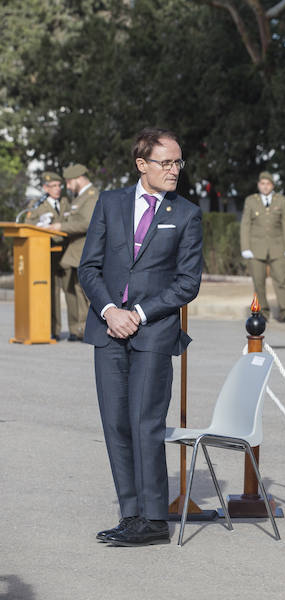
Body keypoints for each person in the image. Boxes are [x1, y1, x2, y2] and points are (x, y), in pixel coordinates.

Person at [78, 128, 203, 547]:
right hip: (107, 328)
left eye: (178, 162)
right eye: (165, 163)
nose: (174, 171)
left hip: (153, 332)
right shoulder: (110, 203)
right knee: (115, 423)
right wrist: (111, 311)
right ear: (141, 165)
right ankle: (130, 513)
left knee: (144, 423)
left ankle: (154, 519)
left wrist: (140, 313)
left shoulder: (186, 214)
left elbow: (187, 283)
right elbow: (88, 268)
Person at [47, 163, 100, 341]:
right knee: (77, 292)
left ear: (78, 179)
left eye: (69, 182)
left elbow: (87, 222)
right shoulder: (79, 198)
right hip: (75, 254)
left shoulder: (91, 196)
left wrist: (61, 226)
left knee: (87, 294)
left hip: (86, 252)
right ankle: (81, 329)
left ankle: (94, 329)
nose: (67, 187)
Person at [240, 171, 285, 322]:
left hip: (278, 247)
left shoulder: (281, 200)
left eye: (268, 184)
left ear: (272, 185)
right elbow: (245, 224)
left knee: (281, 280)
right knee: (258, 282)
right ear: (259, 185)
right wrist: (245, 247)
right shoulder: (251, 201)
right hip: (256, 248)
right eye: (262, 184)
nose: (265, 187)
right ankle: (262, 313)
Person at [26, 171, 69, 340]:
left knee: (64, 290)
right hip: (44, 252)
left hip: (65, 251)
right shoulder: (37, 204)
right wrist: (40, 223)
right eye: (53, 186)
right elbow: (27, 224)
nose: (57, 189)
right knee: (50, 291)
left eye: (59, 186)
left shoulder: (65, 202)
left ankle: (61, 329)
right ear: (45, 188)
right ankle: (49, 329)